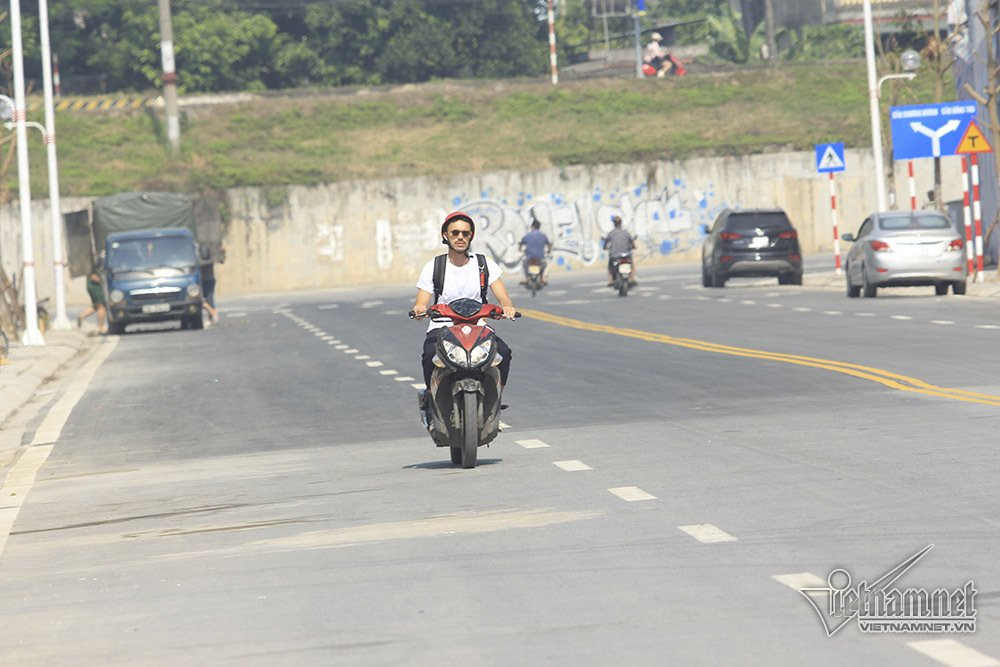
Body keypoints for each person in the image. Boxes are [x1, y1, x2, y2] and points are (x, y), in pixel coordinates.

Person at [413, 211, 517, 395]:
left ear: (471, 236)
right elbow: (422, 300)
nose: (460, 237)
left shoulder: (484, 264)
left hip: (478, 327)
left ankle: (496, 395)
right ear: (445, 235)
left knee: (504, 353)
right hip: (442, 326)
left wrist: (507, 307)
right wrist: (420, 308)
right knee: (429, 355)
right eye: (455, 233)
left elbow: (503, 296)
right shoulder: (434, 266)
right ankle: (430, 396)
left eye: (465, 233)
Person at [605, 215, 637, 285]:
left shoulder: (611, 233)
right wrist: (634, 247)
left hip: (614, 257)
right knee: (632, 265)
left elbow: (606, 243)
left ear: (614, 224)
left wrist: (605, 247)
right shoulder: (626, 232)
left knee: (610, 268)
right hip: (626, 256)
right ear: (621, 223)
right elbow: (632, 242)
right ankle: (632, 278)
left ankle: (610, 281)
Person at [518, 219, 551, 285]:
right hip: (540, 257)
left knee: (523, 265)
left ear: (532, 227)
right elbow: (548, 244)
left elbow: (521, 243)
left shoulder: (528, 235)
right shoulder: (543, 235)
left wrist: (520, 249)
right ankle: (543, 278)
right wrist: (548, 251)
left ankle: (525, 279)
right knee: (546, 265)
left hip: (529, 257)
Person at [200, 244, 222, 324]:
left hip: (208, 280)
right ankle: (211, 317)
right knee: (208, 300)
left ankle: (214, 315)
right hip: (204, 280)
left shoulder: (207, 259)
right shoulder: (205, 258)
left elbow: (221, 259)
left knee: (206, 300)